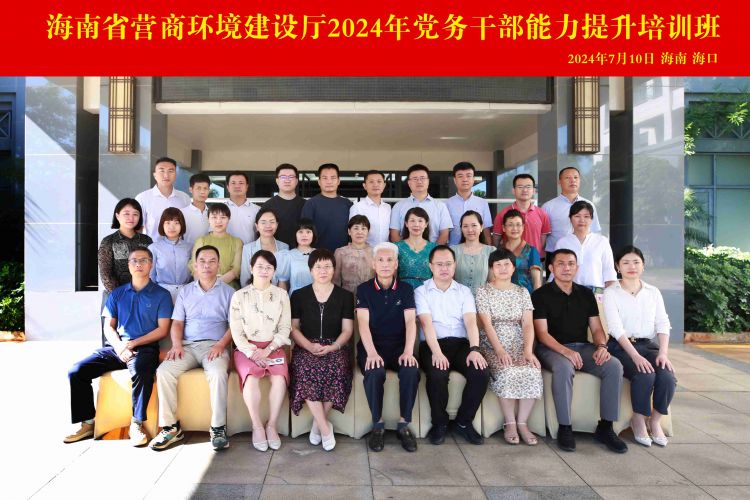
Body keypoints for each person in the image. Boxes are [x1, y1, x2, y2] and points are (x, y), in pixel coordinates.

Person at [65, 248, 172, 446]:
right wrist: (120, 346)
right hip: (117, 347)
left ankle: (136, 423)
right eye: (134, 261)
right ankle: (87, 423)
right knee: (77, 371)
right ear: (128, 266)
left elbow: (163, 330)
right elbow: (108, 326)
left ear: (151, 264)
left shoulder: (161, 295)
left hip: (145, 347)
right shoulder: (117, 294)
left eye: (143, 260)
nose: (138, 264)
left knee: (141, 370)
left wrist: (134, 344)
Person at [532, 249, 627, 454]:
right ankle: (565, 427)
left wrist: (601, 346)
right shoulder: (540, 295)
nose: (566, 268)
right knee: (564, 367)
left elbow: (597, 328)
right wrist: (565, 352)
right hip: (551, 348)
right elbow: (542, 334)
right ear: (551, 268)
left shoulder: (585, 294)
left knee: (614, 366)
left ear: (577, 268)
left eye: (571, 264)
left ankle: (606, 427)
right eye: (561, 264)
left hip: (583, 347)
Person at [150, 245, 235, 451]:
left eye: (212, 261)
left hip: (214, 346)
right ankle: (170, 428)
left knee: (217, 373)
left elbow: (234, 325)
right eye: (202, 261)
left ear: (219, 265)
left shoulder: (229, 292)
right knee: (164, 372)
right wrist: (176, 344)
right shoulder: (185, 292)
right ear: (195, 265)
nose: (207, 265)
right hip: (187, 347)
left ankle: (218, 428)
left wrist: (221, 345)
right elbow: (177, 323)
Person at [416, 245, 489, 446]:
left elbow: (471, 322)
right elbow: (426, 324)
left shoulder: (464, 292)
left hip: (461, 344)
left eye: (448, 264)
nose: (444, 268)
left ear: (455, 265)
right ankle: (439, 423)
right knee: (437, 374)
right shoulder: (421, 291)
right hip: (432, 344)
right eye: (439, 264)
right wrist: (437, 353)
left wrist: (475, 349)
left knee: (481, 372)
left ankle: (464, 422)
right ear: (430, 266)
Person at [603, 245, 676, 447]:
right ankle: (638, 419)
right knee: (645, 374)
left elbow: (662, 322)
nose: (631, 266)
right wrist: (635, 356)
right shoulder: (611, 293)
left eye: (636, 262)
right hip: (620, 346)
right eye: (625, 262)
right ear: (618, 267)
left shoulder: (653, 292)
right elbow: (616, 328)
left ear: (643, 266)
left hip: (647, 345)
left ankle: (655, 421)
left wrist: (663, 353)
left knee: (667, 375)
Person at [356, 242, 420, 452]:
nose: (385, 264)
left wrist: (408, 351)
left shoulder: (406, 289)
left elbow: (410, 322)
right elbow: (362, 323)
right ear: (373, 264)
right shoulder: (364, 289)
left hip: (399, 346)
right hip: (372, 346)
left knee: (411, 370)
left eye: (389, 260)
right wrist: (371, 353)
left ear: (396, 264)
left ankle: (404, 425)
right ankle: (377, 425)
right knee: (374, 371)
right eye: (380, 260)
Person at [289, 249, 354, 452]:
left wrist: (333, 346)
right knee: (305, 368)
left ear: (334, 269)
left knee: (337, 367)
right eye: (318, 267)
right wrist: (309, 346)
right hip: (306, 346)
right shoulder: (298, 295)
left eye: (327, 266)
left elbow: (347, 330)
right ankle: (326, 429)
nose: (323, 271)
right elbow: (293, 328)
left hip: (335, 346)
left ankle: (318, 425)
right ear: (310, 270)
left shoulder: (345, 296)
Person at [476, 249, 543, 446]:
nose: (503, 268)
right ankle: (510, 423)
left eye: (507, 264)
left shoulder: (522, 292)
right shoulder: (483, 291)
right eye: (498, 265)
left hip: (519, 343)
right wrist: (499, 351)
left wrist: (528, 351)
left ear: (514, 268)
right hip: (492, 344)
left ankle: (523, 423)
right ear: (491, 269)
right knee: (507, 370)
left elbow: (528, 324)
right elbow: (487, 325)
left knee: (532, 370)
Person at [230, 250, 292, 452]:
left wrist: (269, 349)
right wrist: (252, 353)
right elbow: (236, 331)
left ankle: (271, 425)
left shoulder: (282, 295)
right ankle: (257, 426)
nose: (264, 271)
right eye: (260, 266)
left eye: (269, 267)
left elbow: (285, 328)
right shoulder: (239, 296)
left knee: (279, 379)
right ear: (251, 268)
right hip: (247, 349)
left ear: (274, 271)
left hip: (274, 347)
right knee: (251, 379)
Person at [98, 198, 153, 344]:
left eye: (135, 214)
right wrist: (122, 297)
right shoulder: (108, 241)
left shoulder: (147, 241)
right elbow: (105, 273)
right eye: (126, 214)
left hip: (143, 296)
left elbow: (152, 268)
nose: (131, 218)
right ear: (117, 216)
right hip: (115, 297)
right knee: (113, 340)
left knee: (141, 340)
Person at [553, 200, 617, 292]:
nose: (582, 220)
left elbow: (609, 272)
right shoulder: (562, 243)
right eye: (577, 216)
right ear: (570, 218)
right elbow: (556, 272)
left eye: (586, 216)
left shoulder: (602, 241)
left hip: (596, 292)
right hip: (570, 292)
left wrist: (609, 294)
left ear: (591, 219)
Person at [542, 166, 601, 254]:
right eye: (568, 178)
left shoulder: (589, 205)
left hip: (584, 253)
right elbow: (542, 236)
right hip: (556, 254)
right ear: (559, 182)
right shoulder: (548, 207)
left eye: (576, 177)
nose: (573, 180)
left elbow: (595, 231)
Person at [390, 164, 452, 244]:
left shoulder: (440, 206)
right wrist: (405, 250)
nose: (419, 181)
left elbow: (444, 234)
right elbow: (394, 234)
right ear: (409, 183)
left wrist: (433, 250)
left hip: (434, 250)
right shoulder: (398, 206)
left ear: (428, 181)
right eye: (415, 179)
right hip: (404, 251)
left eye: (422, 178)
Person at [492, 173, 551, 258]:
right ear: (513, 190)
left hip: (534, 260)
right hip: (510, 260)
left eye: (528, 187)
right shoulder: (502, 214)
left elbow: (543, 240)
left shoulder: (542, 213)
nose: (525, 190)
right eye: (520, 187)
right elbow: (496, 239)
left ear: (534, 190)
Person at [135, 157, 191, 241]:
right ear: (155, 175)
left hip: (179, 247)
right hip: (152, 247)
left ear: (175, 175)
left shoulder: (185, 198)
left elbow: (188, 226)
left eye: (170, 171)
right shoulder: (142, 198)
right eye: (162, 171)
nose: (166, 175)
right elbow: (138, 228)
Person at [300, 163, 353, 251]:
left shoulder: (347, 204)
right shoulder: (311, 204)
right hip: (318, 255)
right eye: (325, 178)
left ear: (338, 181)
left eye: (333, 178)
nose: (329, 182)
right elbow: (304, 231)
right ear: (319, 182)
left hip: (343, 254)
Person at [189, 204, 243, 290]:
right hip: (202, 288)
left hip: (228, 288)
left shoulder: (237, 242)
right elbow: (194, 267)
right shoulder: (201, 241)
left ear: (229, 219)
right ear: (208, 219)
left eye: (223, 217)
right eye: (214, 217)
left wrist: (214, 285)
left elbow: (236, 270)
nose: (218, 221)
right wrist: (205, 286)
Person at [148, 208, 192, 303]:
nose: (172, 227)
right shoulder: (154, 248)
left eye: (176, 223)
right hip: (161, 292)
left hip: (186, 291)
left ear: (182, 225)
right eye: (167, 223)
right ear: (162, 225)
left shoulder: (189, 247)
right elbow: (151, 275)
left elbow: (193, 272)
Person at [239, 207, 290, 288]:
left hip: (279, 293)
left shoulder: (284, 247)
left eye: (272, 222)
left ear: (277, 225)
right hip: (254, 293)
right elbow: (245, 280)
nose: (268, 226)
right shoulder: (248, 249)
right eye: (263, 222)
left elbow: (286, 279)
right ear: (257, 226)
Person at [446, 162, 492, 245]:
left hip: (478, 250)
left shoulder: (482, 203)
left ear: (473, 179)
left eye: (468, 175)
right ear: (455, 180)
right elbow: (445, 232)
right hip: (454, 250)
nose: (465, 179)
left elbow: (486, 230)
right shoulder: (447, 204)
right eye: (460, 176)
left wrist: (489, 250)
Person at [261, 164, 307, 248]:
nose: (287, 180)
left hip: (301, 251)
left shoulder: (306, 205)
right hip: (275, 251)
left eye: (291, 177)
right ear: (277, 181)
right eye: (283, 177)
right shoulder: (267, 206)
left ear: (296, 181)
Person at [450, 210, 494, 295]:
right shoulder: (453, 251)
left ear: (481, 227)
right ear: (461, 229)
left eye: (474, 225)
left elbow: (493, 281)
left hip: (483, 299)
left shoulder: (491, 251)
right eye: (465, 226)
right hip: (458, 299)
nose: (470, 230)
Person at [500, 209, 543, 293]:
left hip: (526, 297)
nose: (514, 228)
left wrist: (537, 299)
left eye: (518, 224)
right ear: (504, 228)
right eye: (510, 225)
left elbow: (537, 282)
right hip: (503, 298)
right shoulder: (499, 251)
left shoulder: (531, 251)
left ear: (523, 227)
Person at [394, 207, 437, 290]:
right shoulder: (396, 247)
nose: (416, 224)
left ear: (426, 224)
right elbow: (393, 275)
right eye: (412, 220)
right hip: (403, 291)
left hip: (427, 291)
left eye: (420, 221)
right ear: (406, 223)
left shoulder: (434, 248)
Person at [333, 215, 375, 294]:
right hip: (346, 296)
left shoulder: (375, 252)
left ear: (368, 232)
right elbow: (335, 280)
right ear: (349, 231)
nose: (360, 232)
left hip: (369, 296)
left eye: (363, 228)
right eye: (356, 228)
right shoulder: (340, 252)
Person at [349, 170, 391, 246]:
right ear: (365, 186)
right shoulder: (357, 207)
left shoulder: (387, 208)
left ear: (384, 185)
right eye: (371, 182)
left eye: (379, 181)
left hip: (385, 251)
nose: (375, 185)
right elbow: (353, 232)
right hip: (364, 251)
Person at [276, 219, 316, 295]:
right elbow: (282, 282)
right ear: (295, 234)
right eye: (300, 232)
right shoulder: (288, 256)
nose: (304, 235)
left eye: (308, 232)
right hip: (295, 297)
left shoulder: (320, 255)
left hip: (316, 297)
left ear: (313, 234)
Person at [225, 171, 260, 245]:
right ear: (227, 187)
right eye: (233, 183)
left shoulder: (257, 210)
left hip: (250, 251)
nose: (237, 186)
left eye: (241, 183)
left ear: (247, 187)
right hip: (226, 250)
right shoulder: (220, 209)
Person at [180, 173, 211, 245]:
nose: (202, 192)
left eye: (205, 188)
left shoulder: (212, 214)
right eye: (198, 188)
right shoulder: (182, 213)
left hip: (208, 251)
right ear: (191, 189)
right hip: (187, 251)